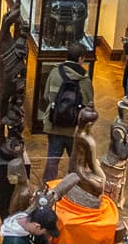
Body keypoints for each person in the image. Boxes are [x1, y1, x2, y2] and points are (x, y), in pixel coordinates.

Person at [36, 40, 97, 181]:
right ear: (81, 58)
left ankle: (48, 188)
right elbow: (89, 106)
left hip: (55, 125)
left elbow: (46, 96)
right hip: (74, 129)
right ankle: (73, 188)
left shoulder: (55, 72)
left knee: (52, 159)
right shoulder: (85, 81)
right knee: (76, 162)